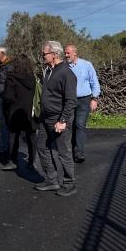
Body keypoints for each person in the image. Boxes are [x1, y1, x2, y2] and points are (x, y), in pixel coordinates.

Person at [34, 41, 78, 196]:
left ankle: (69, 183)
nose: (42, 56)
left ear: (54, 54)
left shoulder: (66, 73)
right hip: (45, 118)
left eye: (44, 54)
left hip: (59, 119)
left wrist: (62, 120)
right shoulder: (49, 71)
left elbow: (71, 100)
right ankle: (52, 180)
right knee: (41, 147)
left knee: (63, 152)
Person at [64, 44, 101, 163]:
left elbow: (94, 82)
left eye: (68, 53)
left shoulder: (86, 65)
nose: (66, 55)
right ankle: (69, 150)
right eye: (65, 53)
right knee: (69, 125)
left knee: (79, 124)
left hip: (84, 100)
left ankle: (79, 152)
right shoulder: (64, 67)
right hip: (69, 101)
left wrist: (94, 99)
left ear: (75, 53)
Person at [0, 55, 37, 171]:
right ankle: (31, 161)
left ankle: (13, 161)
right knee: (31, 136)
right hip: (29, 111)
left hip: (15, 111)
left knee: (13, 136)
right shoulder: (32, 78)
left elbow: (8, 97)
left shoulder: (11, 78)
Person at [0, 46, 13, 163]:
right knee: (2, 125)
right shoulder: (2, 65)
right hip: (0, 98)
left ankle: (5, 150)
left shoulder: (8, 66)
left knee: (4, 125)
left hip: (4, 98)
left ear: (2, 53)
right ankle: (4, 148)